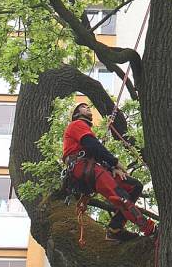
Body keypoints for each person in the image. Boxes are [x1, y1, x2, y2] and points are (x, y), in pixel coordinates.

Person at [62, 102, 156, 241]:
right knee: (120, 195)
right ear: (76, 114)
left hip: (91, 167)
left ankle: (115, 228)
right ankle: (149, 229)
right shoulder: (76, 125)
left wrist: (113, 168)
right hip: (84, 167)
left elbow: (94, 151)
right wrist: (115, 162)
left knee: (134, 186)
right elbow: (93, 146)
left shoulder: (84, 129)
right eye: (83, 107)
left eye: (88, 107)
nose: (87, 108)